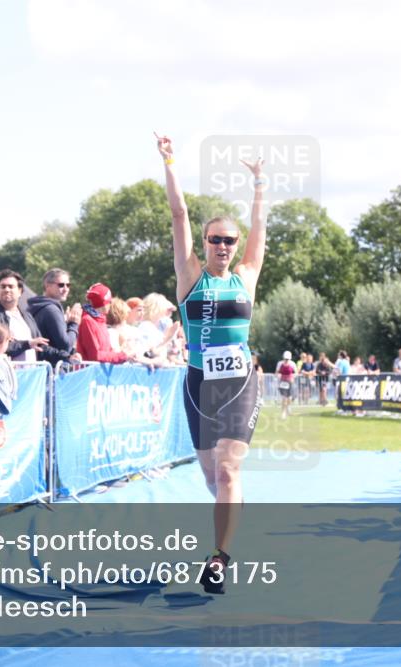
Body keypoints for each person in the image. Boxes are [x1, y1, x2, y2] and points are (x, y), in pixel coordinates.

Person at [158, 131, 266, 594]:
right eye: (214, 240)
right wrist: (170, 162)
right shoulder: (189, 276)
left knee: (228, 471)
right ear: (204, 243)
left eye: (228, 240)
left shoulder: (246, 276)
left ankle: (219, 557)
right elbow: (178, 213)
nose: (222, 246)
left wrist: (260, 183)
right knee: (209, 474)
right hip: (199, 384)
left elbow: (261, 228)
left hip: (240, 383)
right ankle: (230, 509)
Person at [0, 269, 51, 363]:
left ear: (20, 291)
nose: (7, 290)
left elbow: (41, 345)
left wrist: (68, 356)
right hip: (7, 374)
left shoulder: (27, 316)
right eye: (3, 287)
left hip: (31, 373)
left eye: (11, 286)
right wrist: (27, 344)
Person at [77, 283, 147, 364]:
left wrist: (126, 355)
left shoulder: (101, 320)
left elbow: (108, 350)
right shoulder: (88, 321)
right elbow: (95, 356)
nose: (111, 304)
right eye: (109, 301)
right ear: (103, 303)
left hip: (101, 373)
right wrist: (123, 355)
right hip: (90, 374)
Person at [27, 267, 82, 363]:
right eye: (61, 285)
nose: (66, 289)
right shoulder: (51, 310)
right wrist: (73, 324)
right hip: (51, 369)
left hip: (42, 366)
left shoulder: (37, 306)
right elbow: (65, 346)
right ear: (47, 285)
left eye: (68, 285)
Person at [276, 351, 297, 419]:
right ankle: (283, 413)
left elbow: (296, 373)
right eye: (285, 359)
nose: (286, 360)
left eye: (287, 359)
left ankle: (288, 407)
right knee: (284, 398)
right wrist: (278, 375)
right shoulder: (280, 363)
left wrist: (292, 377)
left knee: (290, 398)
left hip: (290, 382)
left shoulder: (292, 364)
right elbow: (276, 372)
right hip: (282, 382)